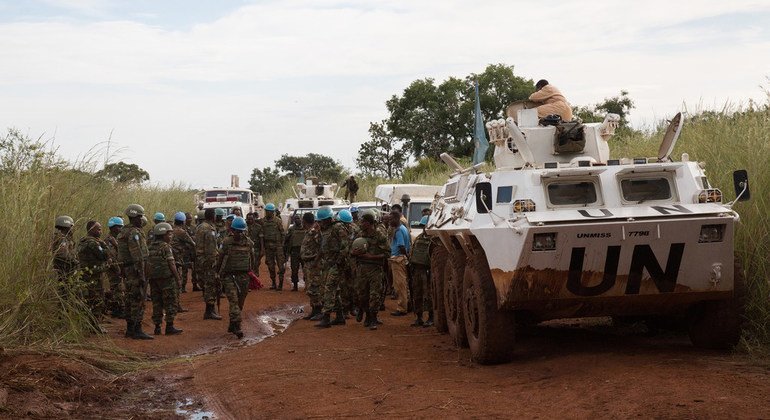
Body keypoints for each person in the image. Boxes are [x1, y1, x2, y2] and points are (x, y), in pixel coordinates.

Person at [117, 204, 153, 340]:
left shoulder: (123, 231)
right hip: (135, 270)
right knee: (138, 298)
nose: (141, 219)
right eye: (140, 216)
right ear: (135, 217)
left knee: (129, 298)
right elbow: (138, 256)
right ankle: (137, 329)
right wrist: (142, 275)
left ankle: (130, 329)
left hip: (127, 270)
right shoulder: (134, 233)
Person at [217, 216, 255, 339]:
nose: (239, 233)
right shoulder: (227, 242)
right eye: (237, 231)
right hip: (230, 277)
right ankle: (237, 326)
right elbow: (220, 258)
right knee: (233, 301)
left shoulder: (249, 243)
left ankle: (232, 323)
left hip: (244, 277)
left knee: (240, 303)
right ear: (232, 230)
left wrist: (252, 274)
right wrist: (217, 273)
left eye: (241, 231)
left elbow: (252, 260)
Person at [351, 211, 389, 330]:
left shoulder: (379, 235)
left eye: (363, 222)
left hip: (375, 269)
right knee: (362, 294)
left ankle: (373, 318)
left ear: (369, 223)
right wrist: (353, 253)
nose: (361, 224)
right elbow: (350, 249)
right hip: (361, 268)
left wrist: (371, 257)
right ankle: (367, 315)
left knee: (375, 295)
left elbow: (388, 253)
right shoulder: (359, 234)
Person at [315, 205, 350, 328]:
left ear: (329, 219)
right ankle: (340, 316)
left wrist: (338, 261)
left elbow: (345, 246)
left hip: (337, 264)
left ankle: (326, 317)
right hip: (328, 263)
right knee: (334, 289)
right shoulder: (324, 230)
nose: (321, 223)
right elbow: (323, 247)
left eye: (323, 220)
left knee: (329, 288)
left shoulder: (338, 227)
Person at [147, 222, 183, 335]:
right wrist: (178, 279)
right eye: (169, 234)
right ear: (163, 234)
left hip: (154, 280)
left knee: (156, 302)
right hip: (167, 279)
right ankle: (169, 326)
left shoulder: (150, 247)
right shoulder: (166, 247)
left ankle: (157, 327)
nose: (171, 237)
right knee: (170, 302)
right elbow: (171, 263)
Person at [77, 220, 109, 332]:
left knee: (89, 300)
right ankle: (95, 326)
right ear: (91, 230)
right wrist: (104, 244)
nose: (100, 231)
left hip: (86, 274)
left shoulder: (82, 241)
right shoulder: (93, 243)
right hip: (93, 275)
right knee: (96, 300)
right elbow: (104, 255)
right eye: (98, 229)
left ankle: (89, 325)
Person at [195, 208, 222, 320]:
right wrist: (213, 263)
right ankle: (209, 311)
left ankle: (210, 310)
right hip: (208, 260)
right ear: (213, 216)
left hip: (200, 259)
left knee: (206, 283)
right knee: (211, 284)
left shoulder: (200, 227)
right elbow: (211, 249)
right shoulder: (209, 229)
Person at [409, 216, 433, 327]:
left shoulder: (434, 239)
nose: (424, 228)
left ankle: (431, 317)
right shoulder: (419, 237)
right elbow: (413, 251)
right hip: (417, 269)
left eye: (425, 226)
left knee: (428, 294)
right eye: (423, 226)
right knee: (417, 294)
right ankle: (419, 317)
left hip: (428, 270)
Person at [300, 212, 322, 320]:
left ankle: (319, 310)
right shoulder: (309, 231)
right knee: (309, 287)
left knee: (315, 287)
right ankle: (314, 310)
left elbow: (321, 247)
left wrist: (315, 260)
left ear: (304, 220)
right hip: (308, 264)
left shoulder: (315, 232)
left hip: (314, 264)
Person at [336, 209, 359, 316]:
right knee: (353, 284)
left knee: (343, 285)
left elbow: (342, 248)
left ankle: (345, 309)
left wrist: (338, 260)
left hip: (344, 261)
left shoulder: (340, 230)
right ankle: (353, 307)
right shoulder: (356, 228)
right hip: (354, 261)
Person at [388, 210, 410, 316]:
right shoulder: (403, 228)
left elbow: (401, 246)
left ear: (397, 219)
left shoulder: (399, 230)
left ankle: (402, 308)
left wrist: (405, 256)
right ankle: (406, 305)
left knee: (399, 285)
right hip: (400, 258)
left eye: (391, 219)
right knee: (403, 284)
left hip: (398, 259)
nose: (390, 221)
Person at [104, 217, 126, 319]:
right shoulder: (109, 240)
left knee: (118, 288)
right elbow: (111, 257)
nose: (120, 229)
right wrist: (119, 269)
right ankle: (117, 309)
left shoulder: (117, 239)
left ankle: (117, 307)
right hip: (113, 268)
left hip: (118, 267)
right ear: (112, 227)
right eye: (119, 227)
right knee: (117, 288)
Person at [261, 203, 286, 290]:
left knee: (281, 266)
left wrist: (282, 245)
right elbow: (262, 235)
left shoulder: (278, 221)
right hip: (268, 247)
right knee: (270, 266)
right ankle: (274, 283)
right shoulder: (263, 221)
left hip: (278, 246)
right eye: (266, 211)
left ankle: (280, 284)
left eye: (269, 211)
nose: (267, 213)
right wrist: (263, 247)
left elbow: (283, 233)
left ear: (272, 212)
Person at [171, 212, 196, 294]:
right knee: (179, 275)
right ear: (183, 221)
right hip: (178, 257)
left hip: (170, 256)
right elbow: (192, 243)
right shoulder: (181, 232)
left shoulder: (170, 229)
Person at [52, 215, 79, 285]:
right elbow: (63, 254)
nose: (71, 229)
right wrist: (74, 261)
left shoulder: (62, 238)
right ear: (66, 226)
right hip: (64, 271)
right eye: (71, 226)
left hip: (65, 270)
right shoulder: (62, 239)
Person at [284, 214, 306, 292]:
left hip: (304, 251)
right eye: (295, 219)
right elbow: (286, 240)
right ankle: (295, 285)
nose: (297, 220)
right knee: (294, 269)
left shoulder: (305, 228)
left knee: (305, 268)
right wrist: (286, 251)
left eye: (298, 218)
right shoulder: (291, 229)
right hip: (294, 251)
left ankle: (307, 284)